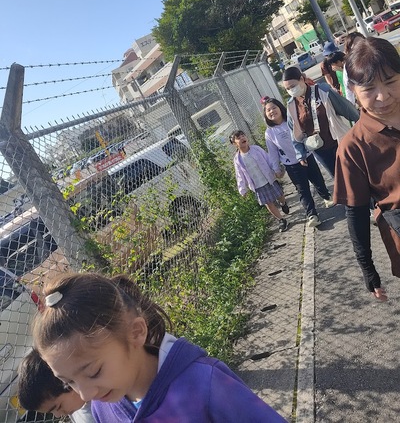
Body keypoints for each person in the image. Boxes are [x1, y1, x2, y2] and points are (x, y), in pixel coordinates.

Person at [32, 273, 287, 422]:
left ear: (136, 332)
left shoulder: (203, 383)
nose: (85, 394)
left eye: (94, 372)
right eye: (68, 383)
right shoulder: (103, 409)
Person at [334, 37, 400, 302]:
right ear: (352, 88)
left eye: (391, 82)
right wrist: (368, 269)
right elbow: (356, 212)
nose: (382, 96)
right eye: (369, 88)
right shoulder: (353, 147)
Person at [262, 97, 334, 228]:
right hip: (291, 164)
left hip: (307, 156)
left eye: (274, 107)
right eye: (268, 110)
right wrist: (276, 168)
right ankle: (312, 215)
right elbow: (272, 152)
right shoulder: (269, 133)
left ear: (280, 108)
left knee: (317, 180)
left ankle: (326, 197)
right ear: (266, 115)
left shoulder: (292, 120)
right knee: (302, 190)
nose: (272, 111)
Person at [282, 67, 359, 177]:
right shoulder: (291, 105)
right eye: (287, 89)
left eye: (293, 86)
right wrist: (300, 153)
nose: (291, 90)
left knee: (354, 173)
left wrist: (362, 123)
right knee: (338, 178)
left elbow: (346, 108)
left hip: (337, 141)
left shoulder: (322, 91)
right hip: (319, 149)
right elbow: (293, 131)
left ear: (301, 79)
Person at [230, 129, 289, 233]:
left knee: (280, 195)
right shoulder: (238, 159)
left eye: (243, 135)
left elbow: (268, 159)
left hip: (269, 178)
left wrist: (276, 169)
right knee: (268, 203)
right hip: (257, 185)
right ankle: (281, 220)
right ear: (234, 144)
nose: (242, 138)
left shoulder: (256, 149)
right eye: (238, 138)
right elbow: (239, 175)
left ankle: (283, 203)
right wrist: (242, 189)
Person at [17, 348, 94, 423]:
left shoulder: (99, 405)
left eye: (59, 406)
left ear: (66, 382)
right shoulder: (76, 410)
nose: (58, 415)